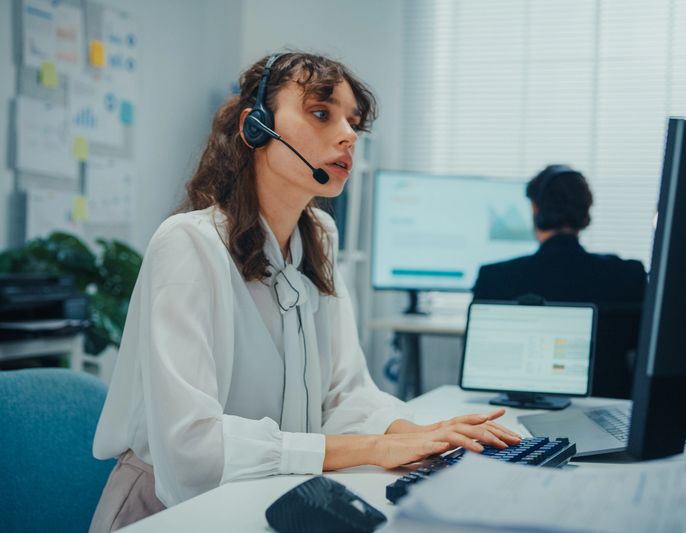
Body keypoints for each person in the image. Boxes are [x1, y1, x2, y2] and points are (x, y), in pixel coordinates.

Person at [89, 51, 521, 532]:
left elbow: (344, 394)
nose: (348, 134)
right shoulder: (188, 244)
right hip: (169, 509)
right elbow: (193, 450)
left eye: (353, 122)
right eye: (322, 113)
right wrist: (378, 447)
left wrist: (423, 435)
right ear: (256, 127)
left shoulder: (319, 237)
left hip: (273, 493)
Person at [472, 165, 647, 398]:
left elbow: (482, 355)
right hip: (605, 407)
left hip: (516, 408)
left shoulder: (494, 277)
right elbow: (642, 349)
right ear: (585, 213)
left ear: (535, 209)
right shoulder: (628, 275)